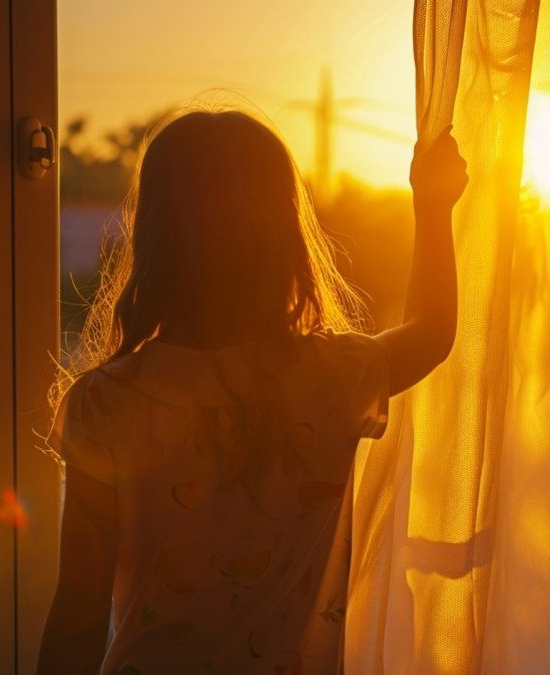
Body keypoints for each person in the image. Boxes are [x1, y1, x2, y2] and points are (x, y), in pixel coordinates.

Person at [36, 107, 467, 675]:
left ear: (155, 238)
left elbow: (79, 612)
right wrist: (432, 208)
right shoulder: (332, 377)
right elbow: (433, 332)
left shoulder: (105, 404)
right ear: (283, 240)